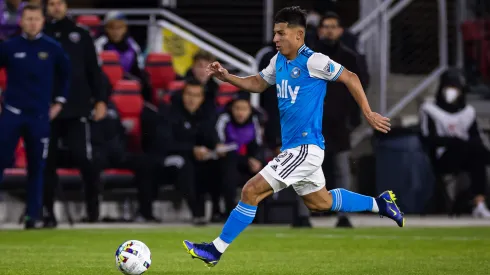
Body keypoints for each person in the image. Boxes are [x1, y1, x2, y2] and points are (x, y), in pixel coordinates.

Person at [182, 6, 403, 267]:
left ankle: (215, 250)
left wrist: (367, 112)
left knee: (250, 191)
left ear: (299, 35)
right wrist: (227, 77)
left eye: (281, 33)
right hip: (297, 148)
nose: (275, 39)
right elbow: (258, 83)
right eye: (275, 33)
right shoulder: (278, 61)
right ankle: (381, 204)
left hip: (305, 148)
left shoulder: (314, 61)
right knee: (321, 202)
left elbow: (352, 77)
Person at [0, 3, 70, 229]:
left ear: (42, 21)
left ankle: (33, 215)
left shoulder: (53, 48)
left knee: (37, 167)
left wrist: (59, 101)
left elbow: (66, 76)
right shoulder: (9, 46)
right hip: (11, 113)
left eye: (36, 19)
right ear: (21, 21)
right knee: (0, 161)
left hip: (39, 116)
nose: (32, 23)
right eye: (28, 19)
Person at [43, 0, 107, 226]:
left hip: (77, 108)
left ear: (66, 6)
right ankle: (47, 212)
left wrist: (100, 100)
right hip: (47, 110)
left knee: (84, 157)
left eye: (59, 3)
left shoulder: (81, 35)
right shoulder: (41, 34)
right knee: (46, 162)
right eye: (51, 4)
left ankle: (93, 208)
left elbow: (93, 70)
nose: (56, 7)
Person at [315, 12, 366, 228]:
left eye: (333, 26)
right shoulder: (308, 58)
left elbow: (360, 89)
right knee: (307, 168)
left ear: (340, 31)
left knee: (341, 168)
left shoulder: (350, 58)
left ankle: (343, 215)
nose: (329, 30)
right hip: (312, 122)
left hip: (339, 123)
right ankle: (303, 215)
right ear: (319, 31)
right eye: (325, 26)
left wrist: (354, 118)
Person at [420, 69, 490, 218]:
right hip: (443, 158)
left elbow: (475, 136)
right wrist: (453, 141)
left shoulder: (468, 112)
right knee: (473, 150)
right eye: (448, 87)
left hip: (469, 155)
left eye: (455, 88)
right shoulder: (429, 109)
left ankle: (479, 204)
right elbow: (428, 138)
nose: (451, 92)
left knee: (477, 155)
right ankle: (475, 202)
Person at [154, 79, 223, 225]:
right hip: (170, 157)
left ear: (202, 98)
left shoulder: (206, 114)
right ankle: (197, 213)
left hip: (199, 157)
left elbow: (210, 136)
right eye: (189, 94)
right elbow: (164, 144)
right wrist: (192, 149)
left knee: (219, 163)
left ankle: (220, 212)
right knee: (186, 165)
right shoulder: (169, 112)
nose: (192, 99)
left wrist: (216, 146)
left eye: (197, 95)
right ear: (183, 95)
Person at [211, 92, 265, 222]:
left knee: (262, 174)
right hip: (225, 160)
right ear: (231, 109)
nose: (240, 113)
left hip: (246, 160)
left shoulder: (255, 121)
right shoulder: (224, 119)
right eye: (237, 109)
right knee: (228, 171)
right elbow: (220, 145)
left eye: (244, 109)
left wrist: (257, 160)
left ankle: (258, 215)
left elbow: (258, 146)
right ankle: (229, 211)